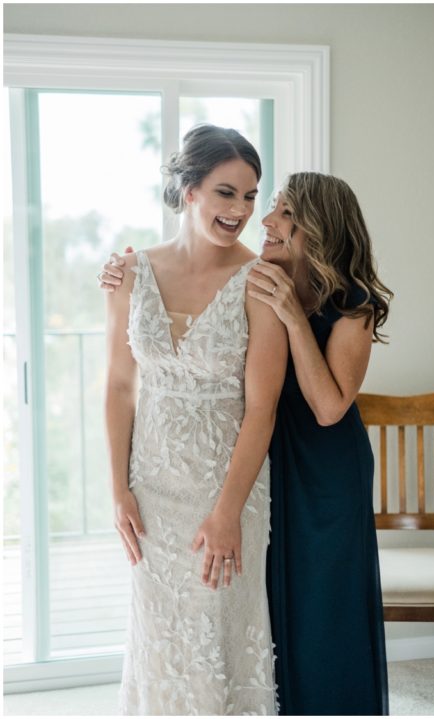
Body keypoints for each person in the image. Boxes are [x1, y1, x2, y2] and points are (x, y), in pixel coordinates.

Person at [100, 172, 392, 715]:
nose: (266, 221)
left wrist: (291, 316)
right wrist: (125, 268)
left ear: (315, 228)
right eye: (270, 207)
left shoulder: (354, 304)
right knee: (272, 606)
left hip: (327, 470)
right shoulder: (261, 277)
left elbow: (330, 407)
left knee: (324, 608)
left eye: (281, 213)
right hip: (269, 460)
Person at [104, 124, 287, 714]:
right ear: (189, 191)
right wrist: (118, 491)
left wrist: (229, 512)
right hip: (151, 489)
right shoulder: (130, 273)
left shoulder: (261, 281)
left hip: (226, 487)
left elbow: (262, 408)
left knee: (218, 638)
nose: (241, 209)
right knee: (157, 639)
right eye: (226, 192)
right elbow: (118, 385)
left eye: (251, 195)